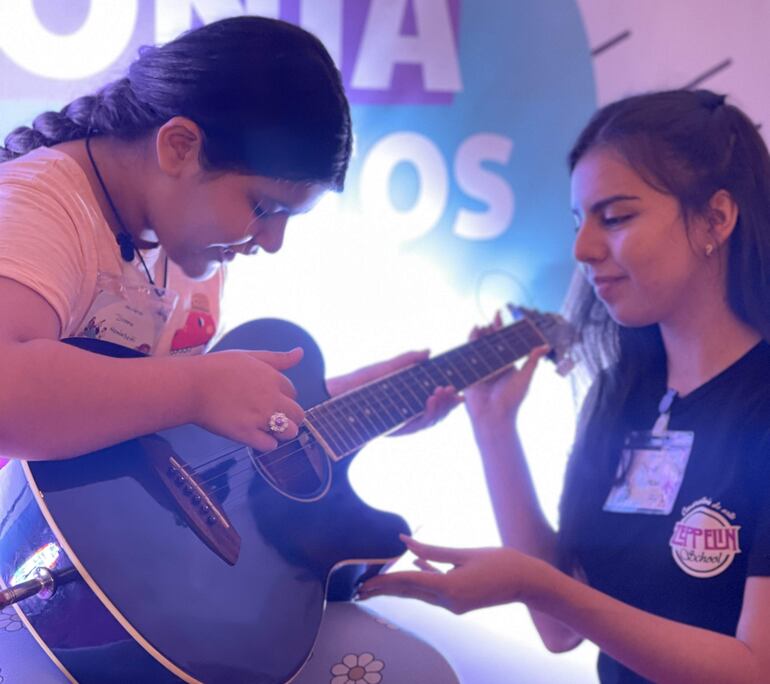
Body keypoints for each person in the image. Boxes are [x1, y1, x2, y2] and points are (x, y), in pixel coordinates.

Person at [0, 16, 460, 683]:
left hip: (109, 589)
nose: (270, 242)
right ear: (180, 146)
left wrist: (331, 406)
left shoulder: (185, 241)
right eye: (265, 207)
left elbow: (172, 432)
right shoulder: (39, 205)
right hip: (24, 590)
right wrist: (199, 387)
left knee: (414, 670)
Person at [359, 89, 770, 683]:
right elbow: (559, 628)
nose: (583, 250)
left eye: (616, 217)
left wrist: (535, 584)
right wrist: (494, 427)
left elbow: (754, 670)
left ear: (717, 218)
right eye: (579, 222)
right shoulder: (623, 393)